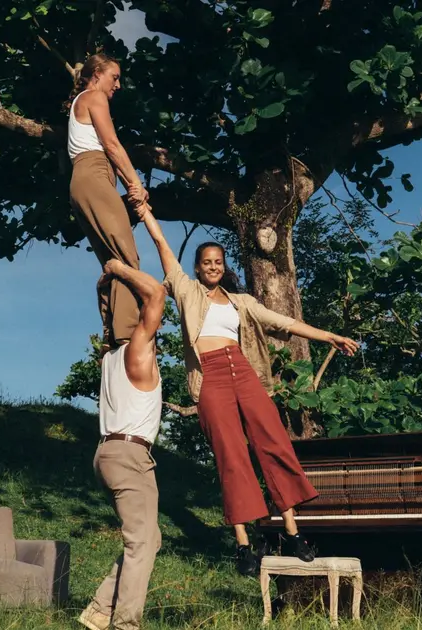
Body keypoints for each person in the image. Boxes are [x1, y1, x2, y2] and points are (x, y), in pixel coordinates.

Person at [135, 204, 360, 577]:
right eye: (206, 262)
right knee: (231, 455)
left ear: (224, 266)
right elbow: (161, 243)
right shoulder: (187, 291)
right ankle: (243, 545)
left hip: (243, 372)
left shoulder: (242, 303)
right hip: (210, 379)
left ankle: (292, 532)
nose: (213, 266)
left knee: (273, 442)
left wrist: (330, 336)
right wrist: (145, 212)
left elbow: (284, 321)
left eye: (218, 261)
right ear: (196, 267)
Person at [78, 258, 166, 630]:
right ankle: (125, 624)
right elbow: (158, 294)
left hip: (108, 453)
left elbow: (110, 324)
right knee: (141, 544)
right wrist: (118, 268)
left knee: (149, 539)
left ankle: (100, 611)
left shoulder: (109, 357)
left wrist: (105, 290)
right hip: (130, 454)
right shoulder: (136, 351)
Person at [66, 53, 150, 351]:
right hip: (93, 174)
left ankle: (113, 335)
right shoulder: (94, 97)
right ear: (97, 74)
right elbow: (112, 145)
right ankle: (129, 335)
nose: (118, 84)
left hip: (87, 179)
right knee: (127, 257)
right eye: (115, 77)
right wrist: (135, 183)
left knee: (114, 262)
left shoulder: (82, 102)